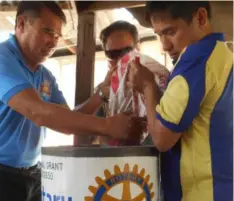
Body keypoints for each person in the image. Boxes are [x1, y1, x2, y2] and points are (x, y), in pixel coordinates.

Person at [0, 2, 140, 201]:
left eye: (57, 36)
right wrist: (107, 126)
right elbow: (39, 112)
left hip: (32, 172)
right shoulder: (3, 59)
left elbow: (69, 118)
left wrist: (101, 94)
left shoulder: (44, 75)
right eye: (47, 31)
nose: (53, 42)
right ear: (21, 24)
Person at [127, 2, 233, 201]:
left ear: (200, 18)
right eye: (159, 35)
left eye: (170, 31)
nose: (165, 45)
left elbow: (161, 139)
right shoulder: (223, 55)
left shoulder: (196, 61)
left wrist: (148, 86)